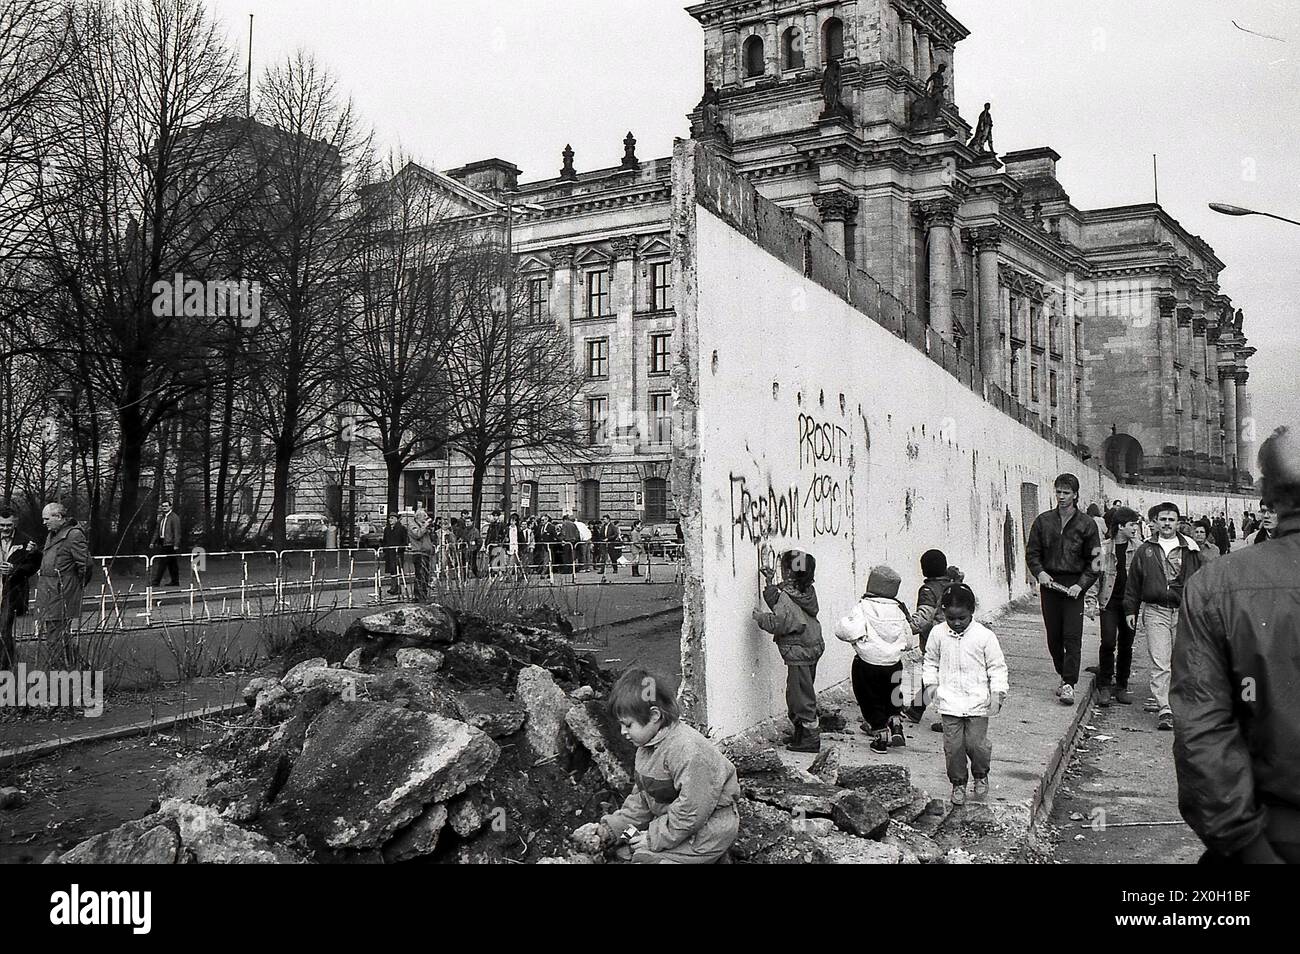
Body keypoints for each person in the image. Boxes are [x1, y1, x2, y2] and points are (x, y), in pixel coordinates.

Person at [1173, 425, 1300, 863]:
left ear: (1266, 494)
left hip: (1270, 838)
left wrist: (1248, 848)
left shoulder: (1217, 584)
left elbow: (1202, 729)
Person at [570, 668, 740, 864]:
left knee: (645, 858)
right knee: (624, 849)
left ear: (654, 716)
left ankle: (713, 857)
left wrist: (651, 838)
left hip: (709, 828)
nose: (623, 732)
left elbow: (691, 811)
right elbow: (643, 798)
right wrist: (614, 828)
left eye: (628, 725)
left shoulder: (689, 752)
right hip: (675, 821)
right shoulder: (647, 746)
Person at [922, 583, 1008, 806]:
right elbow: (930, 662)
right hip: (949, 703)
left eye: (962, 618)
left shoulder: (984, 637)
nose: (957, 623)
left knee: (976, 745)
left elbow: (997, 667)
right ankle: (958, 782)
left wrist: (998, 693)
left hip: (978, 703)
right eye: (951, 618)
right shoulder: (937, 634)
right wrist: (931, 687)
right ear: (943, 613)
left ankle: (981, 774)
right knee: (953, 747)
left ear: (972, 612)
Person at [1123, 502, 1202, 732]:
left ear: (1178, 523)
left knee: (1181, 659)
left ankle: (1181, 705)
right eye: (1163, 519)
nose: (1167, 523)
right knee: (1160, 660)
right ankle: (1165, 708)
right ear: (1155, 523)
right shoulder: (1145, 549)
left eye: (1171, 519)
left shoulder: (1190, 548)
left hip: (1183, 611)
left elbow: (1200, 581)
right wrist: (1131, 610)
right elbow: (1133, 582)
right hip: (1155, 610)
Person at [1025, 472, 1101, 707]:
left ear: (1075, 495)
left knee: (1072, 636)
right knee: (1053, 637)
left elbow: (1097, 561)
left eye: (1066, 493)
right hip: (1050, 583)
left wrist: (1081, 585)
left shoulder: (1087, 524)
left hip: (1074, 585)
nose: (1061, 496)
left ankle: (1069, 683)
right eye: (1058, 492)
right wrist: (1040, 573)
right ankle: (1062, 672)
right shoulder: (1043, 521)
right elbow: (1032, 552)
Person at [834, 565, 918, 754]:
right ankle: (895, 722)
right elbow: (908, 641)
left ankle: (880, 735)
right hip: (893, 663)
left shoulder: (863, 607)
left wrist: (843, 625)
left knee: (870, 697)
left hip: (868, 663)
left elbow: (848, 631)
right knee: (892, 693)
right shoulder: (898, 609)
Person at [751, 549, 823, 753]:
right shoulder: (806, 591)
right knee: (803, 692)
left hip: (798, 651)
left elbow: (779, 622)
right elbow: (784, 602)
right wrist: (770, 582)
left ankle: (809, 738)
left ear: (789, 574)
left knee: (799, 697)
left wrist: (760, 617)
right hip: (812, 646)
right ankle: (802, 734)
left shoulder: (786, 597)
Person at [1086, 506, 1140, 707]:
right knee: (1108, 642)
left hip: (1130, 604)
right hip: (1108, 602)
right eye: (1132, 524)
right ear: (1120, 526)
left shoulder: (1139, 548)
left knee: (1126, 644)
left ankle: (1122, 685)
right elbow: (1094, 578)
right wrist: (1091, 602)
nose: (1135, 528)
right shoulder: (1101, 548)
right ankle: (1105, 685)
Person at [903, 548, 956, 727]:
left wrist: (907, 624)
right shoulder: (953, 585)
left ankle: (952, 719)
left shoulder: (928, 590)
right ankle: (916, 709)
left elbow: (924, 617)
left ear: (924, 569)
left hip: (938, 641)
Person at [34, 503, 92, 667]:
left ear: (58, 517)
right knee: (58, 637)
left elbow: (86, 565)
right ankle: (81, 670)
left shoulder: (73, 535)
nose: (44, 522)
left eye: (47, 519)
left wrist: (74, 585)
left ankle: (64, 672)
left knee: (55, 638)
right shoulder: (53, 534)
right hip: (49, 592)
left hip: (61, 593)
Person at [0, 506, 42, 673]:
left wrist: (14, 569)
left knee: (4, 630)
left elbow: (33, 565)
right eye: (1, 525)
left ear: (15, 523)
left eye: (8, 525)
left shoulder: (26, 542)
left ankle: (5, 669)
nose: (4, 528)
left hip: (11, 592)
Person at [149, 499, 182, 588]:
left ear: (170, 507)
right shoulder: (162, 518)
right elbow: (157, 530)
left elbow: (176, 531)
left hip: (170, 544)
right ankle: (175, 581)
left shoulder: (174, 517)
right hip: (163, 542)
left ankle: (156, 582)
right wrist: (153, 542)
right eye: (163, 506)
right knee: (172, 563)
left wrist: (176, 544)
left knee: (162, 562)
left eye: (166, 506)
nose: (164, 508)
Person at [407, 509, 434, 600]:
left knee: (425, 575)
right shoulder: (412, 525)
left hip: (426, 553)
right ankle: (419, 594)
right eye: (424, 516)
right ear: (418, 517)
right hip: (419, 553)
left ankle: (424, 593)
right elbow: (417, 534)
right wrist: (425, 526)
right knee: (420, 574)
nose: (426, 518)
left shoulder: (423, 526)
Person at [381, 513, 408, 596]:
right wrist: (385, 549)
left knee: (397, 569)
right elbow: (385, 540)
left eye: (392, 518)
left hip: (397, 553)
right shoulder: (387, 529)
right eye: (389, 518)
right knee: (392, 570)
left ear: (396, 519)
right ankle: (393, 587)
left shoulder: (402, 528)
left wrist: (400, 549)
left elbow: (405, 541)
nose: (390, 520)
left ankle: (396, 587)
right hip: (389, 553)